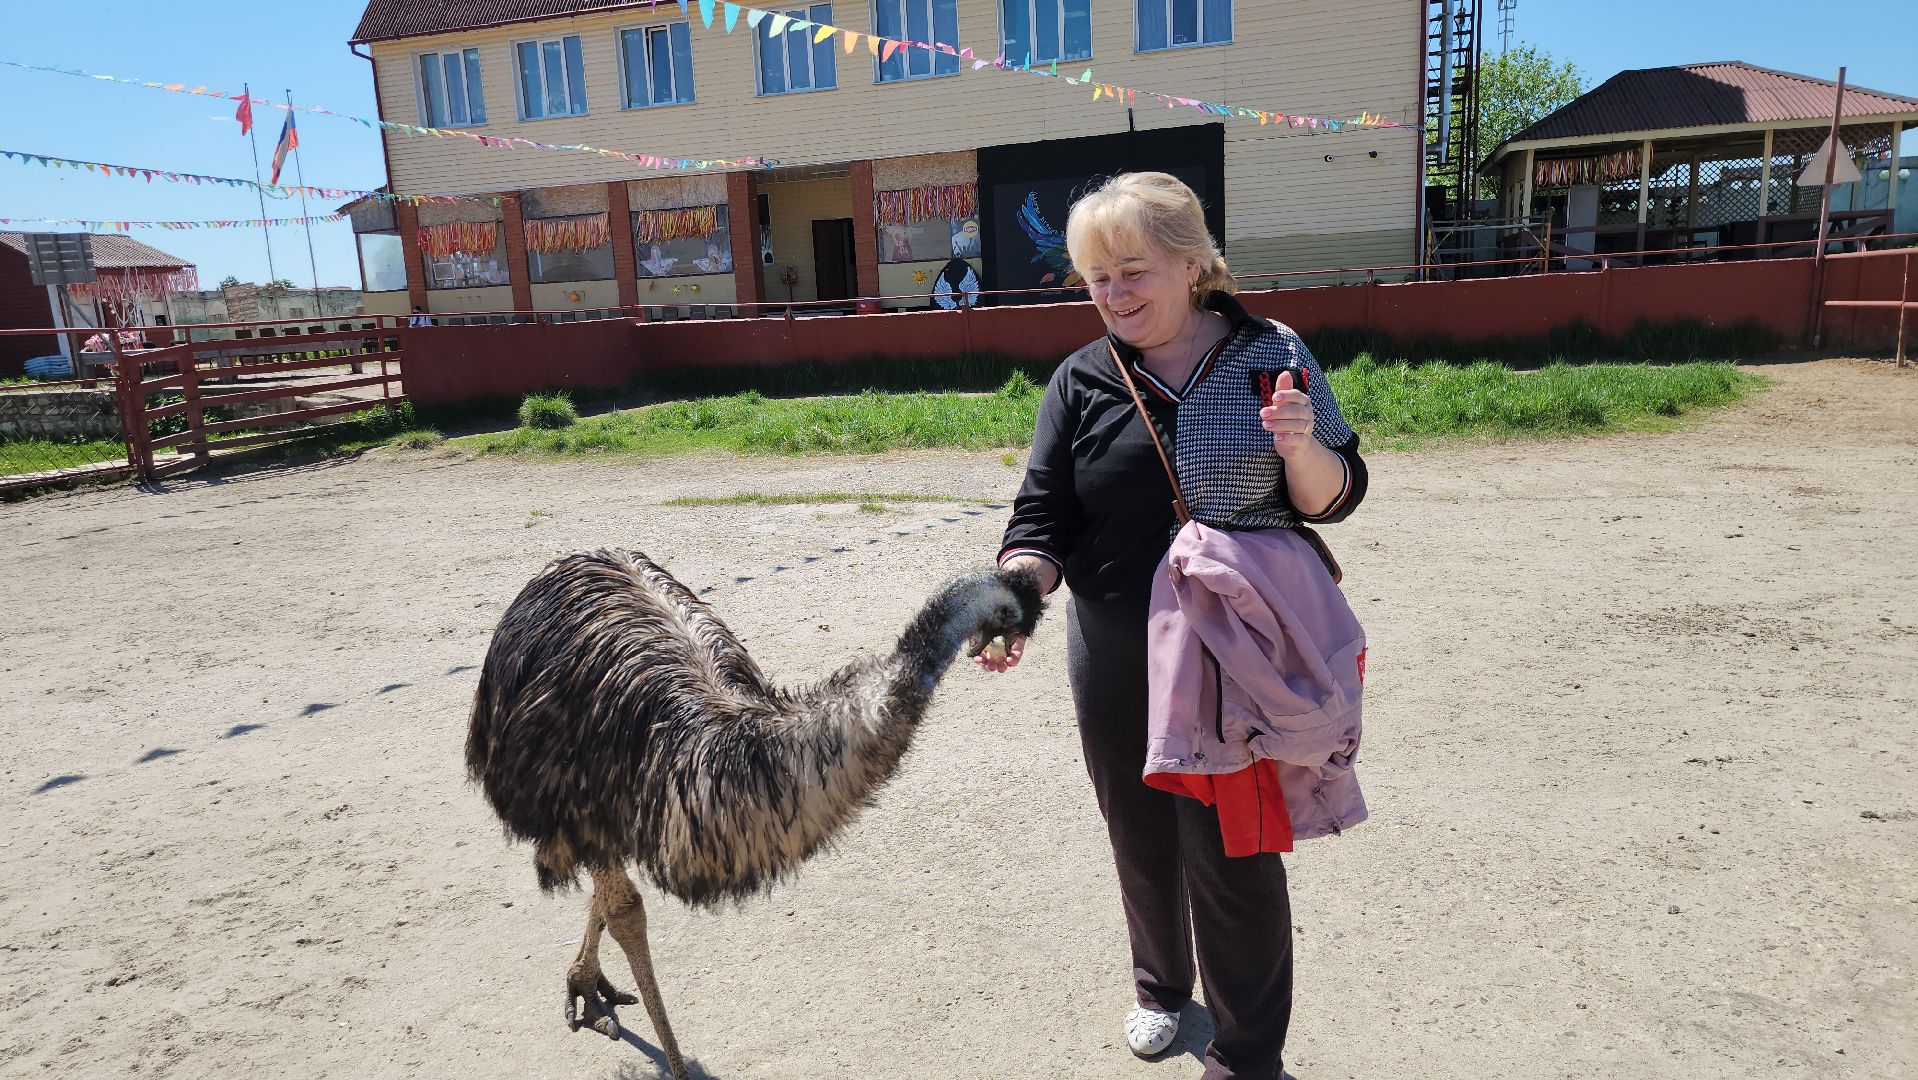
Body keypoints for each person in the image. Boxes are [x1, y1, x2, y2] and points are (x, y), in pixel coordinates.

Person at [979, 172, 1368, 1080]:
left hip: (1235, 653)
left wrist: (1300, 446)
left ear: (1192, 265)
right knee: (1140, 834)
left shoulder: (1271, 352)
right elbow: (1041, 518)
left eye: (1132, 271)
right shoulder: (1082, 379)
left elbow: (1338, 496)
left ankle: (1246, 1055)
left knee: (1235, 853)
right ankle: (1159, 985)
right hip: (1117, 648)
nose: (1113, 295)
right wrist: (1016, 595)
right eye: (1096, 278)